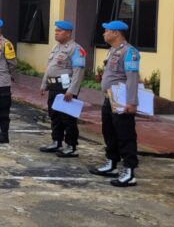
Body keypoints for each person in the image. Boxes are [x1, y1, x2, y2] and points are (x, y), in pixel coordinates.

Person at [89, 20, 141, 187]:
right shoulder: (112, 50)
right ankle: (111, 164)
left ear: (116, 33)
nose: (104, 34)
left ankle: (129, 171)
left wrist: (132, 102)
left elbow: (132, 78)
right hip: (109, 97)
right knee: (109, 132)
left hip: (121, 99)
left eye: (107, 31)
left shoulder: (129, 51)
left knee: (125, 135)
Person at [39, 20, 86, 157]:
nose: (56, 33)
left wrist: (72, 90)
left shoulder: (76, 49)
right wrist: (44, 84)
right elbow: (49, 68)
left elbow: (78, 72)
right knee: (54, 115)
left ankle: (71, 146)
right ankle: (56, 142)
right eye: (55, 31)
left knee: (68, 118)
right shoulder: (56, 47)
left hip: (66, 88)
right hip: (54, 86)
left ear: (68, 33)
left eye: (59, 31)